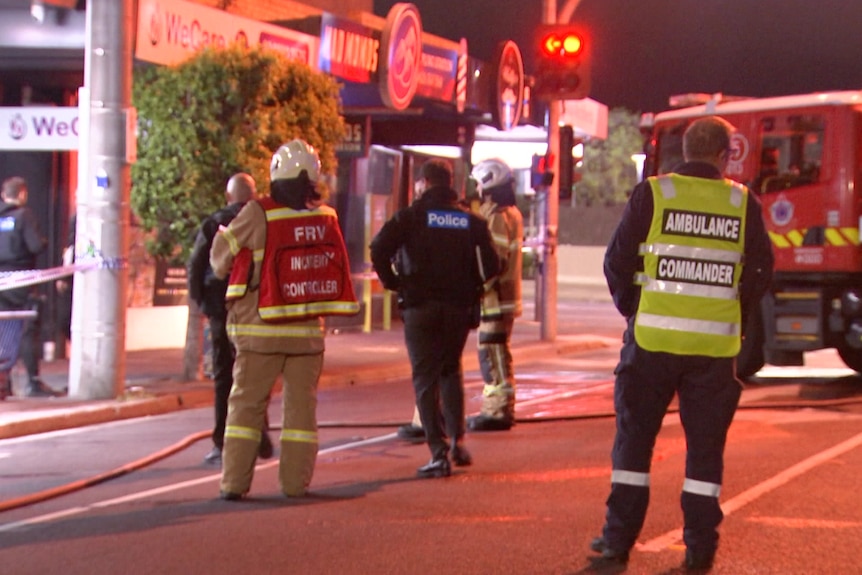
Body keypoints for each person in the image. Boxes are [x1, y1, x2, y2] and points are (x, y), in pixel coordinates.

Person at [591, 116, 774, 570]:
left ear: (685, 150)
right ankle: (699, 548)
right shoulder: (742, 202)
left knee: (634, 446)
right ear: (726, 154)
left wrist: (637, 310)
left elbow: (616, 262)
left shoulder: (654, 193)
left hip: (650, 345)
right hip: (712, 353)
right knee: (705, 453)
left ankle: (617, 542)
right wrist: (734, 314)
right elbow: (759, 272)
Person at [211, 139, 359, 500]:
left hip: (259, 332)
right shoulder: (327, 217)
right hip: (308, 335)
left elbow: (219, 260)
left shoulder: (259, 212)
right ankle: (294, 484)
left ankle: (234, 484)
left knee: (246, 407)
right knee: (301, 412)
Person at [370, 158, 500, 479]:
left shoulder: (411, 217)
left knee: (425, 378)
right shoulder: (470, 221)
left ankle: (438, 452)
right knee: (451, 370)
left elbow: (378, 248)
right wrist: (474, 288)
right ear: (449, 183)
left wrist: (395, 282)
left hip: (420, 308)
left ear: (425, 183)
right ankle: (457, 441)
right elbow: (493, 266)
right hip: (458, 308)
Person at [187, 172, 273, 466]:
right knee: (255, 372)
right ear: (254, 195)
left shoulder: (214, 224)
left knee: (224, 376)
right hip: (257, 309)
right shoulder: (264, 221)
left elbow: (197, 263)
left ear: (228, 196)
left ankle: (223, 442)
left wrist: (202, 302)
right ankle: (259, 432)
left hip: (222, 311)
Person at [467, 158, 524, 431]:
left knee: (492, 355)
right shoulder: (511, 213)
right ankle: (496, 407)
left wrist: (477, 286)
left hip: (495, 300)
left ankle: (498, 411)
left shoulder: (498, 215)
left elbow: (493, 261)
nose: (477, 188)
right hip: (502, 300)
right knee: (496, 353)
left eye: (479, 183)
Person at [0, 176, 55, 398]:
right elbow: (35, 245)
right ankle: (32, 382)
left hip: (1, 282)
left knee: (3, 331)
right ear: (22, 194)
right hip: (21, 283)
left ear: (4, 195)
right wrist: (44, 242)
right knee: (26, 330)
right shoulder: (24, 216)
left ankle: (5, 383)